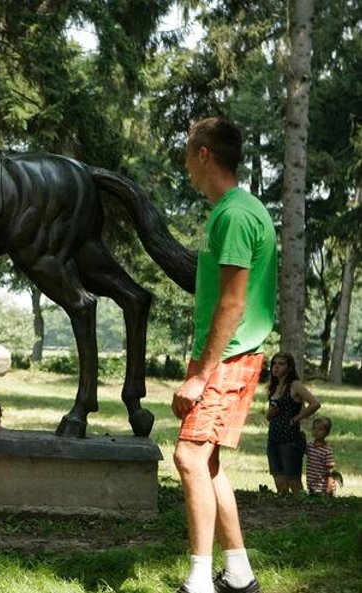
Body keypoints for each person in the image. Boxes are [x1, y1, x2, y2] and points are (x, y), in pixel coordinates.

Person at [171, 117, 277, 593]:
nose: (185, 161)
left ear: (204, 155)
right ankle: (238, 574)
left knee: (189, 458)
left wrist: (200, 375)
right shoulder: (240, 208)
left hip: (227, 358)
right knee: (207, 462)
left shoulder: (234, 215)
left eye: (188, 150)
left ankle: (198, 582)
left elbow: (233, 302)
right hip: (230, 355)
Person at [265, 352, 321, 494]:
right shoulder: (274, 386)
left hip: (290, 439)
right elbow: (269, 414)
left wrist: (297, 418)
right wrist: (270, 413)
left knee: (293, 481)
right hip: (273, 437)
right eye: (274, 364)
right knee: (279, 479)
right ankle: (284, 511)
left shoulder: (294, 385)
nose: (276, 367)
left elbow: (315, 403)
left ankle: (301, 512)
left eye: (281, 364)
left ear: (289, 368)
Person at [305, 417, 337, 496]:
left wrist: (329, 486)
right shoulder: (310, 446)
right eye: (314, 428)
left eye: (320, 429)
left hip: (322, 487)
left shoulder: (327, 450)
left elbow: (330, 470)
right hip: (311, 484)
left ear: (326, 433)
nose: (316, 431)